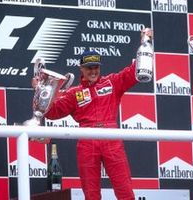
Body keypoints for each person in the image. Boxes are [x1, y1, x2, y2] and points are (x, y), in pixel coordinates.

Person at [38, 28, 153, 200]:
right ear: (81, 69)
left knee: (125, 191)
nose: (93, 71)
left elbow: (135, 72)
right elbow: (51, 112)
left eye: (96, 67)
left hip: (111, 138)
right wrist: (41, 92)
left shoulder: (112, 82)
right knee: (91, 194)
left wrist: (145, 41)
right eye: (89, 67)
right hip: (86, 141)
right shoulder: (73, 93)